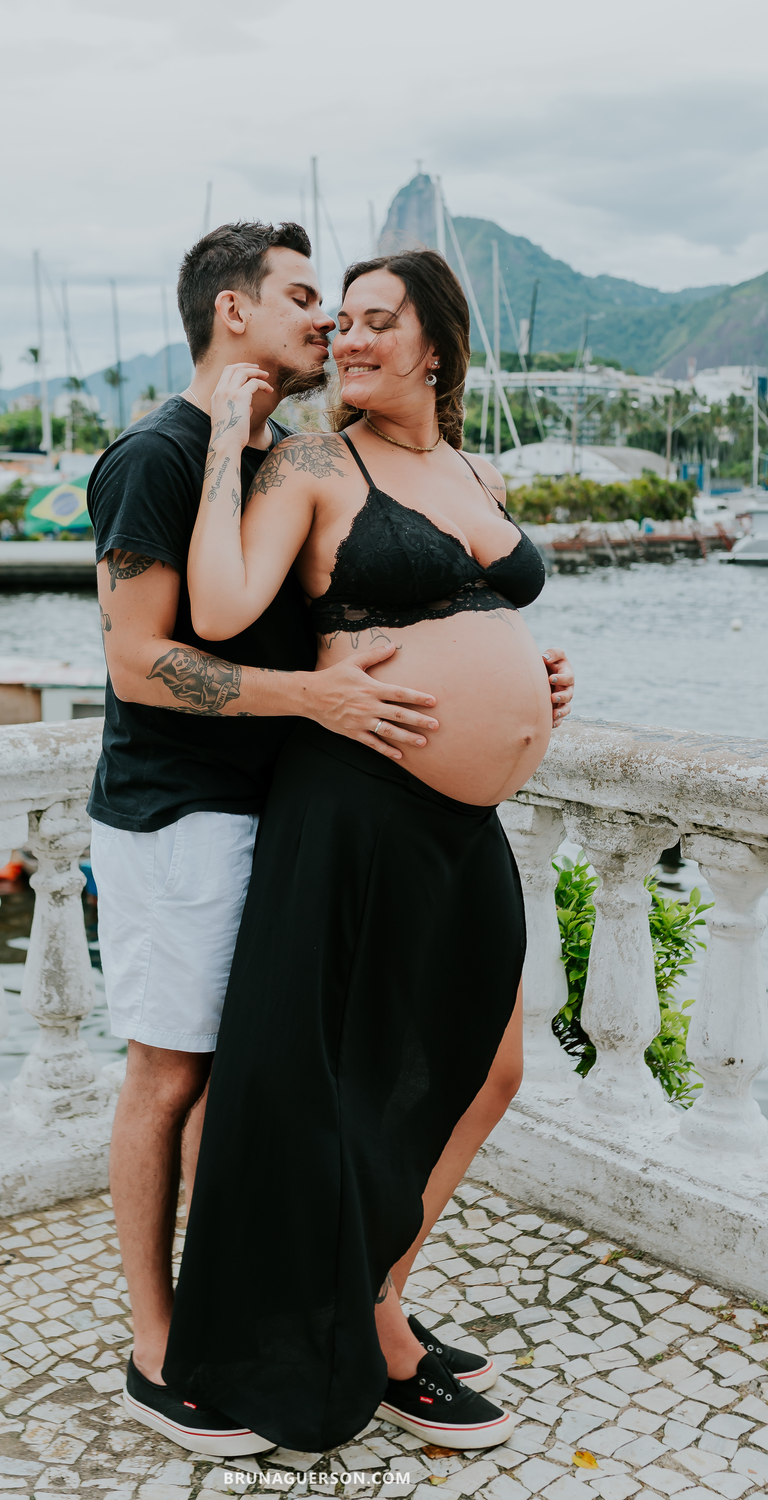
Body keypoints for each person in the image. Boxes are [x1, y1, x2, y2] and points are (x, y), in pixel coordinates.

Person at [163, 248, 565, 1454]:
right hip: (358, 805)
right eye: (341, 322)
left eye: (377, 322)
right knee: (321, 1090)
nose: (349, 339)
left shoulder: (474, 468)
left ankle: (377, 1288)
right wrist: (231, 451)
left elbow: (475, 610)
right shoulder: (310, 462)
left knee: (488, 1072)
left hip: (462, 821)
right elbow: (224, 609)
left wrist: (526, 674)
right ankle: (364, 1331)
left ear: (435, 346)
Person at [88, 222, 450, 1459]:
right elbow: (141, 667)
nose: (327, 321)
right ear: (230, 313)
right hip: (176, 816)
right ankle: (155, 1345)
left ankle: (243, 1323)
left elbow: (300, 629)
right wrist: (322, 699)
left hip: (278, 822)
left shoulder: (282, 453)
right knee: (170, 1076)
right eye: (303, 297)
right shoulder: (157, 455)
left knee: (248, 1088)